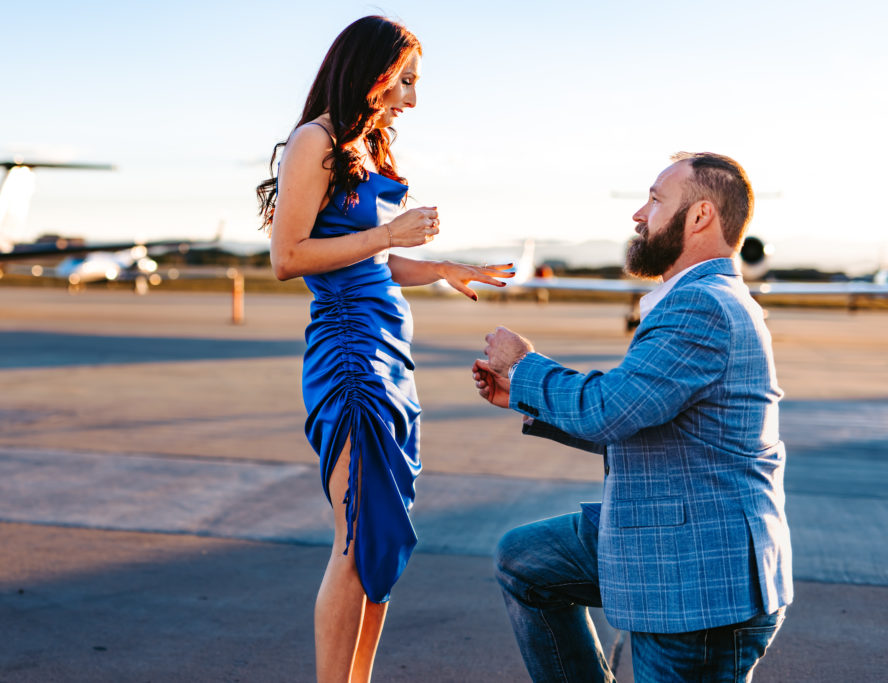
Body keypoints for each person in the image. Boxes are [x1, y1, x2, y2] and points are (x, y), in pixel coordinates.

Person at [257, 16, 512, 682]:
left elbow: (373, 263)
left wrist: (441, 267)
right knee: (355, 537)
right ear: (370, 71)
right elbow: (289, 257)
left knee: (381, 536)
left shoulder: (361, 146)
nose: (412, 98)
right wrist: (391, 231)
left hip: (386, 350)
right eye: (405, 80)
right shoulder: (313, 141)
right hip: (348, 353)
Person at [472, 152, 792, 682]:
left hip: (701, 584)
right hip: (672, 536)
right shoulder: (696, 298)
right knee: (524, 560)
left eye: (655, 199)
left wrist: (525, 366)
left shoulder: (702, 305)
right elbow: (639, 415)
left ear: (699, 217)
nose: (639, 215)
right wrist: (525, 398)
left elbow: (609, 410)